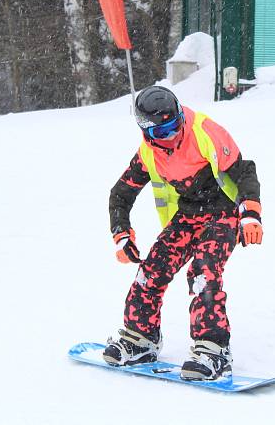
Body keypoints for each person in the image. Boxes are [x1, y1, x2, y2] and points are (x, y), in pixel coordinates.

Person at [104, 85, 263, 381]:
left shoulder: (204, 130)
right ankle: (141, 338)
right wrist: (121, 234)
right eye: (161, 132)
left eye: (175, 125)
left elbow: (244, 171)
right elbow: (120, 194)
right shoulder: (148, 154)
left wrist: (250, 214)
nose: (172, 135)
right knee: (151, 271)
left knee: (202, 271)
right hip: (188, 215)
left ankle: (213, 349)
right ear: (146, 132)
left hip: (222, 212)